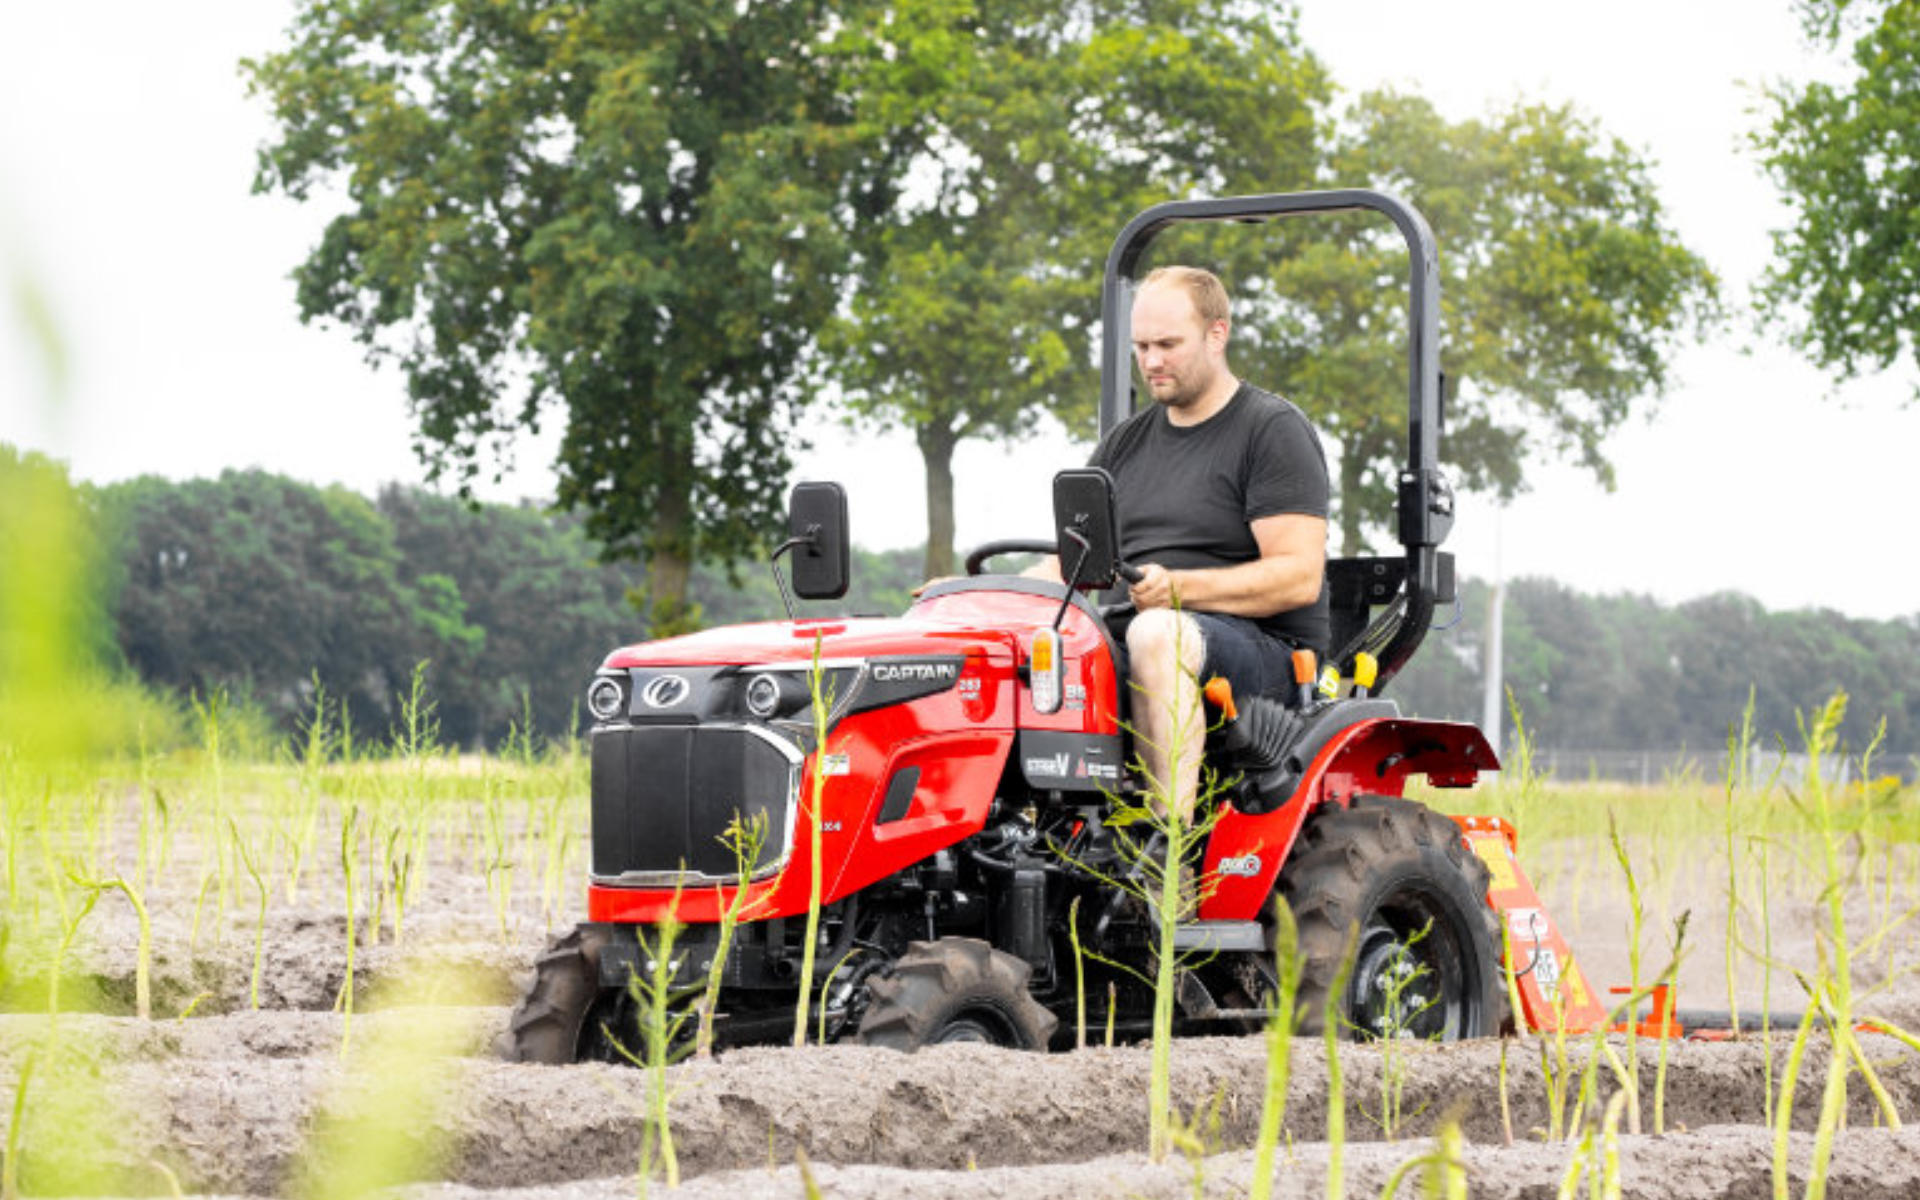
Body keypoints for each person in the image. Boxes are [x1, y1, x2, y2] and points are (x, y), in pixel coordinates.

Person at [1035, 265, 1330, 824]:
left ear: (1217, 334)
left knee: (1155, 632)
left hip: (1263, 653)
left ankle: (1166, 859)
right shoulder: (1124, 445)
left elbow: (1298, 575)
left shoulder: (1271, 430)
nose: (1151, 361)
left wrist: (1180, 590)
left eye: (1168, 344)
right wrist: (974, 599)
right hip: (1137, 637)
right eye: (1142, 346)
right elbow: (1066, 564)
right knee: (1022, 645)